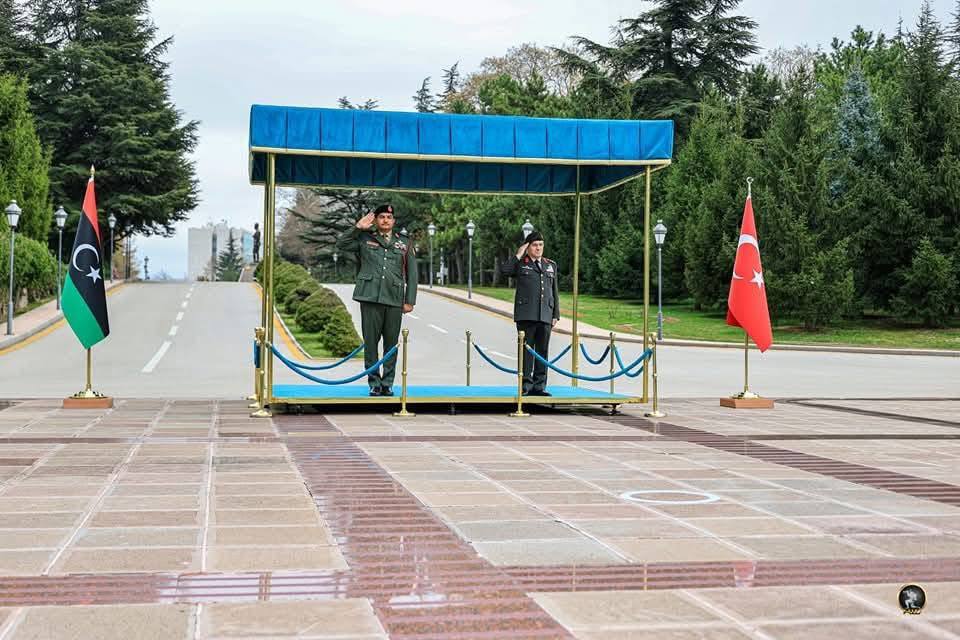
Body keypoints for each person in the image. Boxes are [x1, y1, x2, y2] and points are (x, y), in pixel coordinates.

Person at [337, 204, 417, 396]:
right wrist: (357, 228)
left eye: (389, 217)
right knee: (371, 343)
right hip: (370, 297)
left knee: (391, 344)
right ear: (376, 220)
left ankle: (387, 383)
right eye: (381, 217)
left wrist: (410, 300)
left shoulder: (404, 242)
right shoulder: (365, 238)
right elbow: (341, 244)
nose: (385, 220)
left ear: (393, 221)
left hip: (394, 299)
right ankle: (374, 383)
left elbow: (412, 274)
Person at [500, 230, 559, 396]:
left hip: (545, 314)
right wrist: (518, 254)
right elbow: (505, 270)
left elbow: (554, 290)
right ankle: (525, 386)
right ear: (528, 247)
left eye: (541, 245)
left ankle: (539, 387)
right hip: (526, 315)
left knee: (542, 352)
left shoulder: (550, 265)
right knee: (526, 352)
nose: (538, 248)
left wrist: (556, 314)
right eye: (534, 245)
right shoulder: (521, 264)